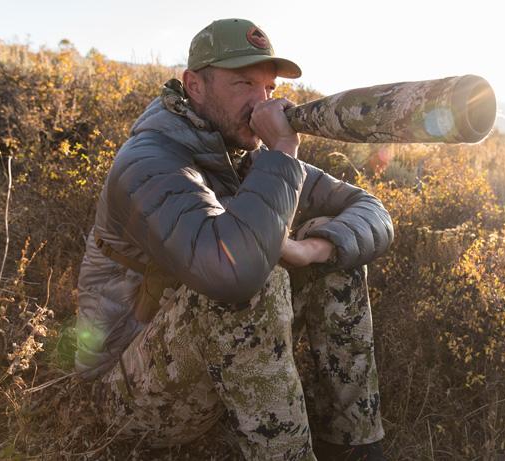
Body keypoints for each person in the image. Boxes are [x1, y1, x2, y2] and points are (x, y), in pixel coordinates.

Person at [74, 18, 394, 460]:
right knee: (252, 280)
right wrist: (282, 153)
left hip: (202, 368)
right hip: (127, 394)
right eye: (243, 82)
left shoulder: (244, 154)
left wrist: (312, 249)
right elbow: (230, 276)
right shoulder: (148, 162)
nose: (261, 101)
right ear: (195, 86)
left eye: (268, 87)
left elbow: (370, 208)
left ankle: (352, 445)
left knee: (336, 258)